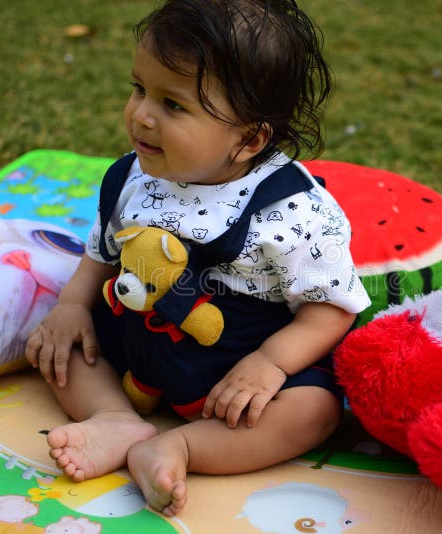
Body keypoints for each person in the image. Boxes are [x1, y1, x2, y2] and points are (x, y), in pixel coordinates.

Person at [25, 0, 370, 517]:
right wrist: (73, 305)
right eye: (139, 88)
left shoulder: (291, 212)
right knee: (55, 340)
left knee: (315, 411)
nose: (141, 114)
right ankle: (113, 417)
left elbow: (331, 309)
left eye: (173, 105)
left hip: (235, 370)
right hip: (140, 333)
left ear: (249, 139)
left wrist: (270, 365)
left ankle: (182, 446)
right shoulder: (135, 174)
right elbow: (104, 250)